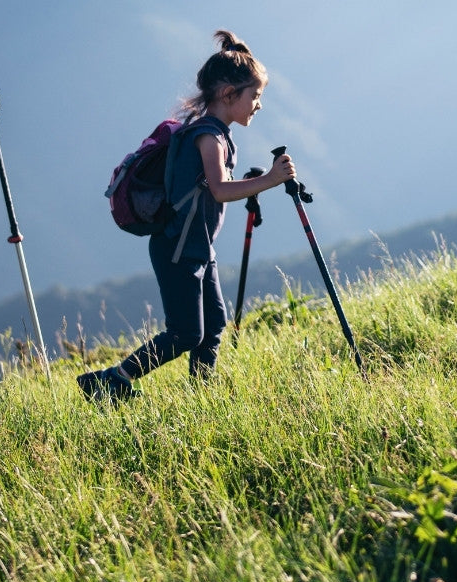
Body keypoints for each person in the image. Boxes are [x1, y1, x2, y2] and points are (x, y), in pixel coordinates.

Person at [78, 29, 295, 402]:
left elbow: (212, 187)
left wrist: (252, 184)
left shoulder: (214, 132)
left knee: (213, 326)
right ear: (228, 93)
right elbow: (220, 190)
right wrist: (271, 180)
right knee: (185, 333)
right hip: (178, 249)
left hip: (195, 246)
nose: (258, 105)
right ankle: (112, 380)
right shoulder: (208, 137)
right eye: (255, 96)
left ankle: (201, 398)